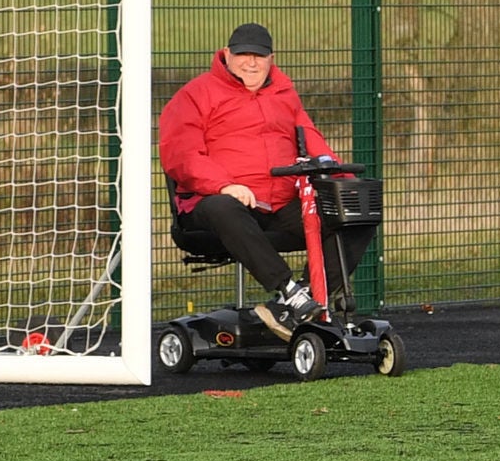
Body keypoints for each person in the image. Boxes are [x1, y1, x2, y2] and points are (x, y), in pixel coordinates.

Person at [158, 22, 368, 341]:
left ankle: (305, 303)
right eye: (243, 54)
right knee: (224, 206)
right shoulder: (194, 95)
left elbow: (312, 141)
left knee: (355, 216)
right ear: (227, 55)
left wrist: (344, 182)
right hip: (214, 205)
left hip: (279, 204)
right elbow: (181, 155)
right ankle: (288, 290)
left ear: (272, 58)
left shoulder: (284, 93)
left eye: (259, 55)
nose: (251, 62)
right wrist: (223, 185)